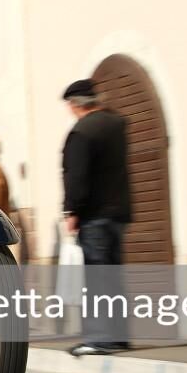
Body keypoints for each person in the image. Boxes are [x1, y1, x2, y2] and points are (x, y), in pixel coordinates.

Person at [61, 78, 132, 356]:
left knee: (97, 278)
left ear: (75, 105)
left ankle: (99, 337)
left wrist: (72, 211)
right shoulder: (116, 125)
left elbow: (76, 177)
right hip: (118, 213)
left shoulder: (82, 131)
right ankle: (119, 336)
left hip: (94, 216)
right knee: (114, 277)